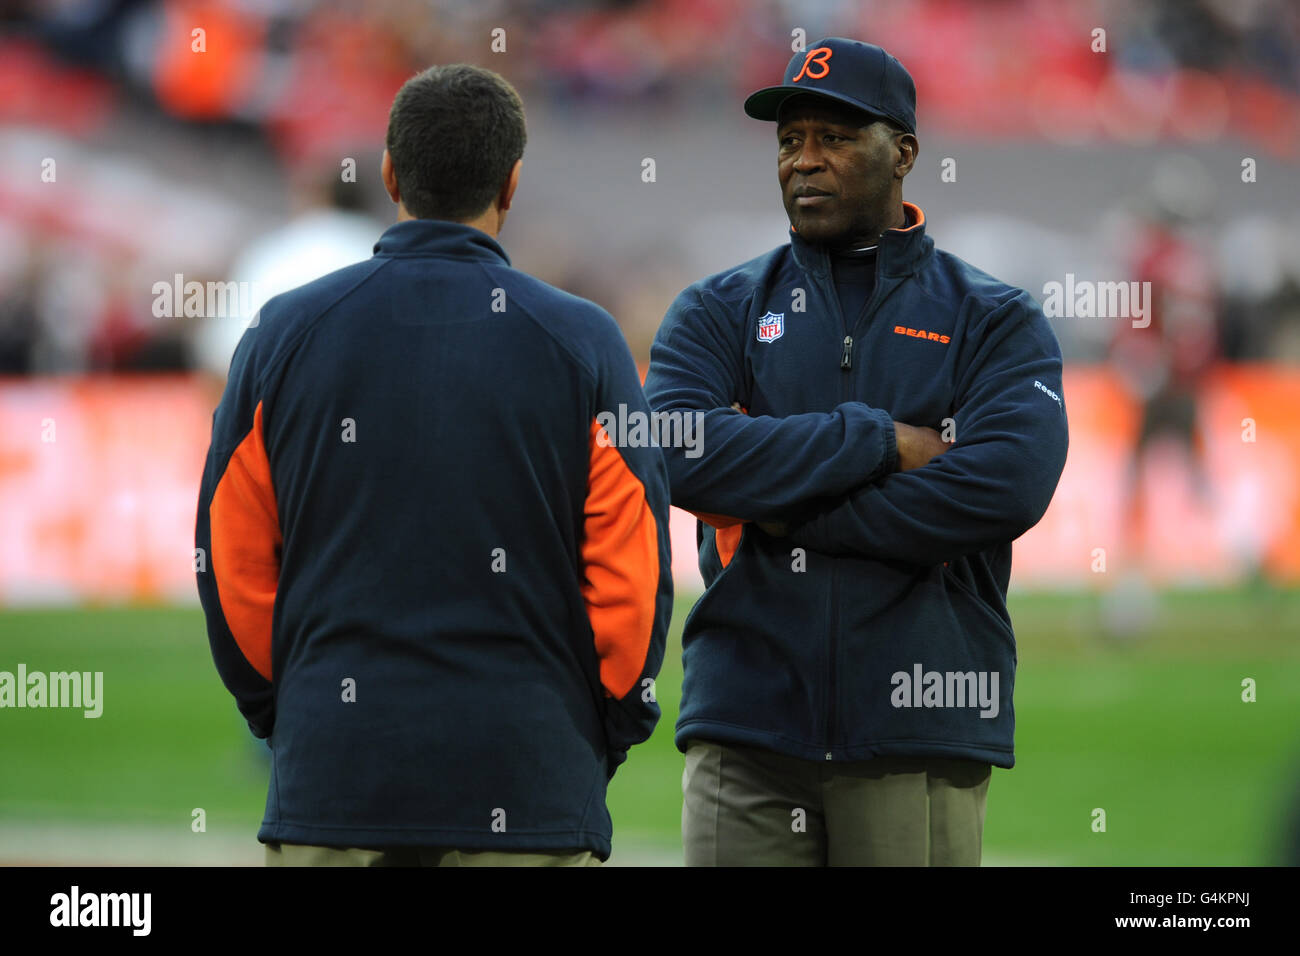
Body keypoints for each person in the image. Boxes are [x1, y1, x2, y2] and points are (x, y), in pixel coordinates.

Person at [195, 64, 672, 866]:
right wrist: (600, 731)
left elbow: (231, 556)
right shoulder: (584, 341)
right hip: (528, 774)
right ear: (513, 184)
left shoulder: (284, 333)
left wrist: (287, 712)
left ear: (389, 173)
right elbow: (632, 570)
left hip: (334, 775)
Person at [644, 38, 1068, 866]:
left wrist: (776, 506)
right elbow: (674, 452)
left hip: (915, 732)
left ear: (903, 154)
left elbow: (1004, 487)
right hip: (745, 731)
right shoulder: (717, 308)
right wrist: (873, 441)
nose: (804, 162)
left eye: (834, 138)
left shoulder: (994, 316)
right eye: (789, 141)